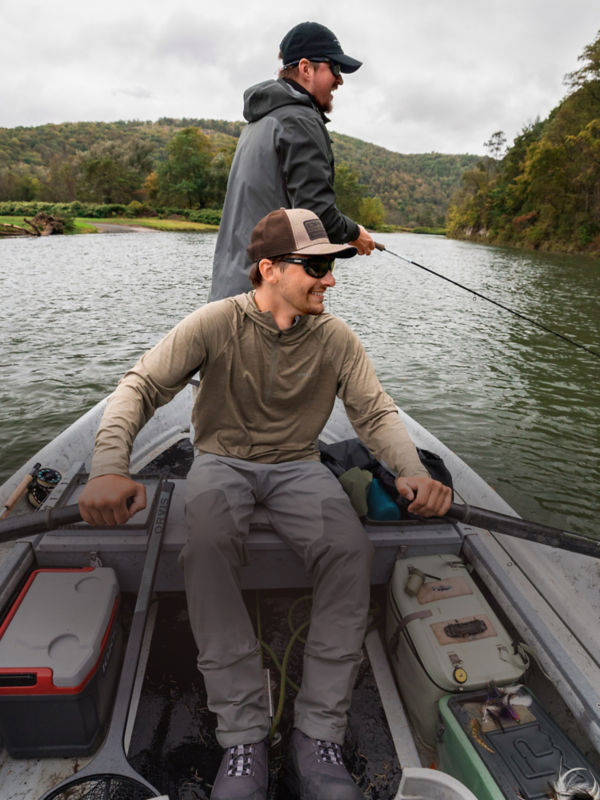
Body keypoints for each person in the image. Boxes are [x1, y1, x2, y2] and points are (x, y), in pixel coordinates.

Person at [79, 208, 451, 800]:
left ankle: (318, 734)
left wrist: (410, 471)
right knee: (203, 545)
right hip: (219, 460)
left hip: (299, 464)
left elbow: (375, 413)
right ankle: (243, 733)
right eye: (318, 266)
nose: (331, 279)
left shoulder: (336, 338)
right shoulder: (214, 322)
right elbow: (141, 387)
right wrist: (107, 470)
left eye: (333, 267)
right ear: (270, 269)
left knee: (348, 549)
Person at [209, 21, 375, 302]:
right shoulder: (300, 121)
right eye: (334, 69)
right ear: (306, 68)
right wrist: (355, 232)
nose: (340, 80)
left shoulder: (260, 121)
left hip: (231, 297)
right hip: (269, 302)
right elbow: (319, 216)